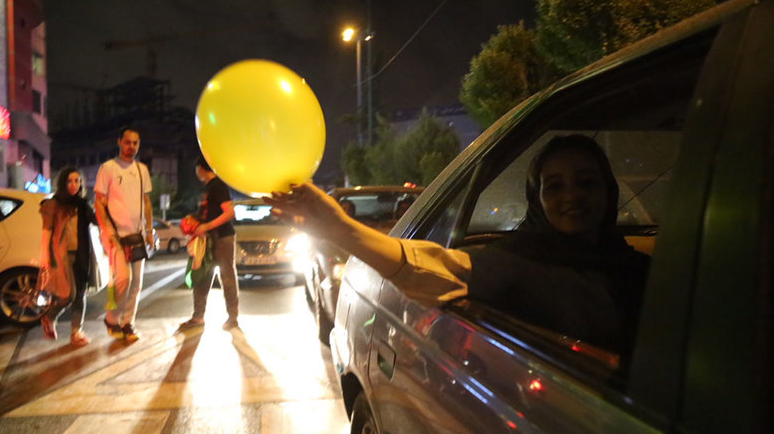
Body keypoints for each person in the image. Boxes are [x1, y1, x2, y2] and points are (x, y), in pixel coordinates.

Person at [266, 135, 650, 354]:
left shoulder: (639, 269)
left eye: (586, 182)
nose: (573, 197)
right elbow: (441, 268)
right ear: (537, 200)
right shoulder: (517, 264)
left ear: (609, 190)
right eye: (555, 187)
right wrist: (340, 229)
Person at [94, 127, 153, 342]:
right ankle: (112, 318)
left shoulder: (141, 170)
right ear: (119, 142)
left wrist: (149, 230)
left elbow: (146, 202)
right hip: (115, 236)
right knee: (123, 279)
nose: (131, 147)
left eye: (135, 143)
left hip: (136, 235)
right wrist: (108, 231)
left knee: (136, 281)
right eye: (127, 142)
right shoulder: (107, 168)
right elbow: (99, 203)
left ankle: (128, 322)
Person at [178, 156, 240, 331]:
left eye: (196, 168)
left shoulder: (218, 186)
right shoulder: (207, 189)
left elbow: (229, 213)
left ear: (200, 168)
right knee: (201, 276)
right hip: (206, 239)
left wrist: (207, 225)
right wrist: (195, 220)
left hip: (222, 237)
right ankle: (198, 317)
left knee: (227, 276)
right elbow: (208, 212)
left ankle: (233, 317)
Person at [38, 167, 97, 347]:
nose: (74, 185)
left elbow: (98, 222)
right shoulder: (54, 204)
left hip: (81, 256)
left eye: (77, 181)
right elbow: (47, 232)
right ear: (63, 183)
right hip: (61, 256)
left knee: (80, 294)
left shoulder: (83, 205)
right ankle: (49, 317)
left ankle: (76, 332)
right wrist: (45, 257)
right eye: (70, 181)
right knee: (68, 295)